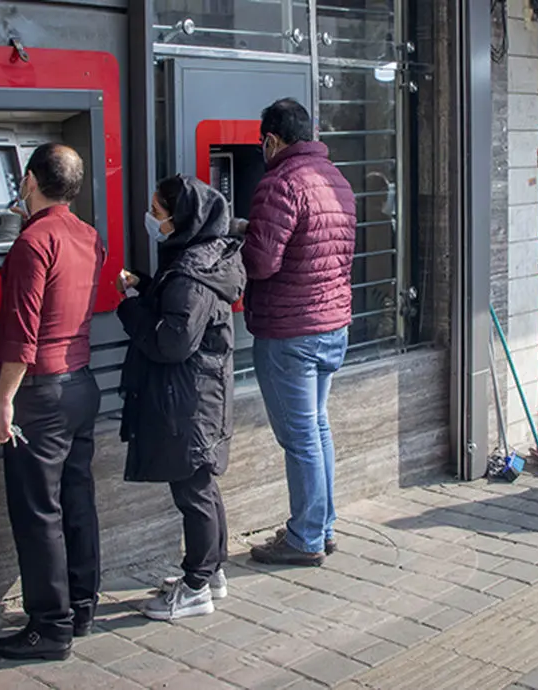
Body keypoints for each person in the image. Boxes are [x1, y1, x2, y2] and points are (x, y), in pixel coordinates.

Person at [0, 143, 105, 661]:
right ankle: (80, 607)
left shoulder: (34, 243)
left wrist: (3, 402)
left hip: (40, 394)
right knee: (76, 500)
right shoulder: (87, 236)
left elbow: (21, 333)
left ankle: (48, 628)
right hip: (81, 385)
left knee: (37, 512)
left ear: (29, 180)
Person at [116, 175, 246, 620]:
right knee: (202, 486)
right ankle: (211, 573)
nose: (152, 219)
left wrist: (130, 309)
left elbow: (172, 342)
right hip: (199, 392)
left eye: (157, 210)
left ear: (182, 216)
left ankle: (195, 587)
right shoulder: (203, 258)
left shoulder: (192, 271)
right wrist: (148, 286)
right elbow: (180, 309)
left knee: (193, 489)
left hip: (189, 398)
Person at [240, 98, 355, 567]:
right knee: (317, 427)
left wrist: (237, 240)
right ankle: (322, 527)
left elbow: (262, 262)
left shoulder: (281, 182)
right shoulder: (337, 180)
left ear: (270, 139)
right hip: (332, 325)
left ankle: (305, 537)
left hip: (291, 331)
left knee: (301, 437)